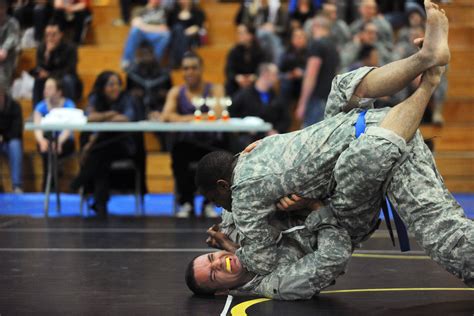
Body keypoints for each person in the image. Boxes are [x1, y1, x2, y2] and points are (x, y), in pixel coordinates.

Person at [192, 1, 473, 291]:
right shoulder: (273, 281)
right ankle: (428, 84)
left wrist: (261, 151)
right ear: (221, 289)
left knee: (342, 88)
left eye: (212, 256)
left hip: (338, 160)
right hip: (339, 209)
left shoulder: (234, 214)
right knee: (364, 159)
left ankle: (425, 59)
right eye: (214, 274)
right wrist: (314, 208)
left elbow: (235, 188)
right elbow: (331, 256)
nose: (219, 262)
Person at [70, 71, 145, 219]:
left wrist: (101, 118)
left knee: (100, 152)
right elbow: (89, 117)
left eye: (118, 84)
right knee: (101, 159)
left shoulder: (127, 98)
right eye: (111, 84)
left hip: (123, 144)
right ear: (102, 87)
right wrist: (110, 114)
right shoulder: (94, 97)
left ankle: (82, 181)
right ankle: (100, 203)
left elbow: (126, 118)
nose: (115, 88)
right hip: (101, 146)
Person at [160, 51, 225, 218]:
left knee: (218, 157)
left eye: (194, 68)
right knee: (178, 153)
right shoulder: (176, 91)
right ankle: (186, 202)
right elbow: (166, 115)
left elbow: (217, 113)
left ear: (201, 69)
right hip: (187, 143)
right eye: (186, 68)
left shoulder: (215, 89)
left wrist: (182, 118)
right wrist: (198, 117)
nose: (190, 72)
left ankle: (210, 202)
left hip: (209, 143)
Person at [229, 63, 290, 152]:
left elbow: (286, 119)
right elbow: (232, 113)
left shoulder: (277, 96)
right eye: (274, 75)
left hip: (271, 139)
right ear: (265, 75)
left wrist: (276, 130)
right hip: (249, 139)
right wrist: (245, 128)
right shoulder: (244, 94)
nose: (277, 78)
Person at [295, 15, 339, 127]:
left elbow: (311, 75)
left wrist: (302, 103)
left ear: (316, 26)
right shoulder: (333, 47)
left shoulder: (317, 45)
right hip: (328, 98)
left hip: (316, 99)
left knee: (309, 138)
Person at [33, 77, 75, 190]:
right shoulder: (41, 106)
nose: (46, 90)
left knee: (52, 150)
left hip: (65, 141)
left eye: (50, 87)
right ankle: (49, 187)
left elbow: (68, 127)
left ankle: (48, 186)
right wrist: (41, 140)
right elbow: (37, 127)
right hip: (47, 140)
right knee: (47, 150)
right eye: (45, 87)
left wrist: (59, 142)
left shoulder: (68, 104)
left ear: (59, 91)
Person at [31, 21, 81, 107]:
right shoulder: (42, 48)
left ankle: (70, 108)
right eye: (47, 35)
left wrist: (50, 74)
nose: (50, 38)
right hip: (49, 78)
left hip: (65, 77)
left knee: (67, 80)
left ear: (60, 34)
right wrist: (47, 55)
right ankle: (37, 110)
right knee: (38, 80)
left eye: (53, 35)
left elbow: (70, 69)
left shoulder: (70, 48)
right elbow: (39, 68)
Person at [121, 0, 170, 69]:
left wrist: (143, 26)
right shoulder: (139, 9)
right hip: (142, 34)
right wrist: (153, 28)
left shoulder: (163, 11)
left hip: (155, 35)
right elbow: (135, 24)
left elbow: (164, 28)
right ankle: (128, 61)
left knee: (166, 35)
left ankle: (154, 63)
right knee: (135, 31)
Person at [224, 24, 266, 97]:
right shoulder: (234, 51)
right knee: (229, 84)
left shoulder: (260, 51)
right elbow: (229, 69)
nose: (239, 36)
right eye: (238, 33)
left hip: (255, 80)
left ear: (250, 35)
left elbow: (262, 68)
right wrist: (237, 77)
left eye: (242, 33)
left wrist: (254, 76)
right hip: (238, 82)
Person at [167, 0, 206, 68]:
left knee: (179, 32)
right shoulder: (173, 12)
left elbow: (197, 27)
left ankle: (177, 61)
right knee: (177, 29)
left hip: (191, 37)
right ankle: (183, 58)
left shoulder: (197, 12)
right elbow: (169, 27)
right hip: (175, 38)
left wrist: (183, 34)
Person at [0, 82, 23, 193]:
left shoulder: (14, 106)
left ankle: (16, 185)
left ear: (2, 94)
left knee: (15, 145)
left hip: (10, 141)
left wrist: (3, 137)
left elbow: (17, 131)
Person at [278, 27, 307, 103]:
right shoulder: (286, 53)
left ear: (306, 40)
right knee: (285, 84)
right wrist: (288, 75)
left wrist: (302, 73)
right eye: (295, 37)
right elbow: (278, 72)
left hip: (304, 82)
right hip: (289, 82)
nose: (298, 39)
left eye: (301, 37)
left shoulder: (311, 53)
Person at [0, 0, 20, 86]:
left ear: (6, 9)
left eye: (1, 8)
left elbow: (12, 38)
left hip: (7, 60)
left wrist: (4, 49)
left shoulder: (13, 23)